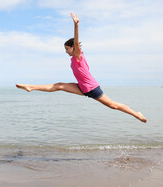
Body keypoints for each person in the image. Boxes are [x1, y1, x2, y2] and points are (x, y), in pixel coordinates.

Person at [16, 13, 147, 123]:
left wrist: (76, 25)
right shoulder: (74, 58)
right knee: (59, 86)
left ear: (74, 47)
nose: (66, 51)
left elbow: (76, 41)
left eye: (67, 48)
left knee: (113, 105)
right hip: (81, 87)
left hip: (91, 88)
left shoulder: (78, 55)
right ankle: (31, 87)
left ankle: (136, 114)